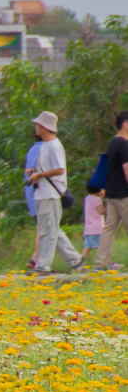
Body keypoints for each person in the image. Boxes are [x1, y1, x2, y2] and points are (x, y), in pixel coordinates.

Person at [26, 111, 84, 274]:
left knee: (47, 231)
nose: (35, 128)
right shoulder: (45, 145)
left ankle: (43, 265)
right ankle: (75, 260)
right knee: (51, 229)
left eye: (38, 125)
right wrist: (34, 171)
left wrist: (40, 175)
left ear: (45, 127)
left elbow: (59, 169)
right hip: (43, 193)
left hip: (50, 194)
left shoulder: (54, 145)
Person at [94, 110, 128, 271]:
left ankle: (101, 262)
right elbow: (127, 170)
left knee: (109, 228)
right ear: (125, 124)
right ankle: (102, 262)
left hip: (112, 192)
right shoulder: (123, 143)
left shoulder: (113, 142)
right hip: (123, 194)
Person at [23, 129, 44, 270]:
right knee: (43, 227)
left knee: (41, 225)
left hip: (31, 192)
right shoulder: (45, 148)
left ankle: (36, 257)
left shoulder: (32, 150)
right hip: (40, 192)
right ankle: (36, 257)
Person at [82, 186, 105, 262]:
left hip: (88, 228)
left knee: (87, 247)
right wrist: (110, 207)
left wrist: (100, 197)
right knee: (102, 247)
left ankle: (81, 263)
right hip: (97, 228)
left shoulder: (87, 198)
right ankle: (106, 262)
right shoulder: (97, 199)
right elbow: (100, 211)